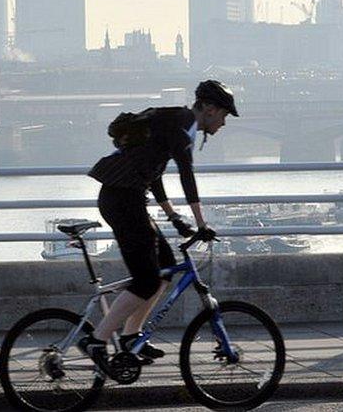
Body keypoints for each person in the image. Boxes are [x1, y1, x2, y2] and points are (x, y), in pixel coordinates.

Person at [79, 80, 237, 372]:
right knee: (147, 279)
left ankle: (129, 337)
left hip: (127, 197)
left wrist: (174, 217)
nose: (224, 123)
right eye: (225, 115)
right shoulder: (182, 127)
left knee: (164, 267)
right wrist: (201, 224)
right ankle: (96, 340)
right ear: (212, 110)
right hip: (122, 199)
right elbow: (187, 176)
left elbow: (154, 174)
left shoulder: (176, 122)